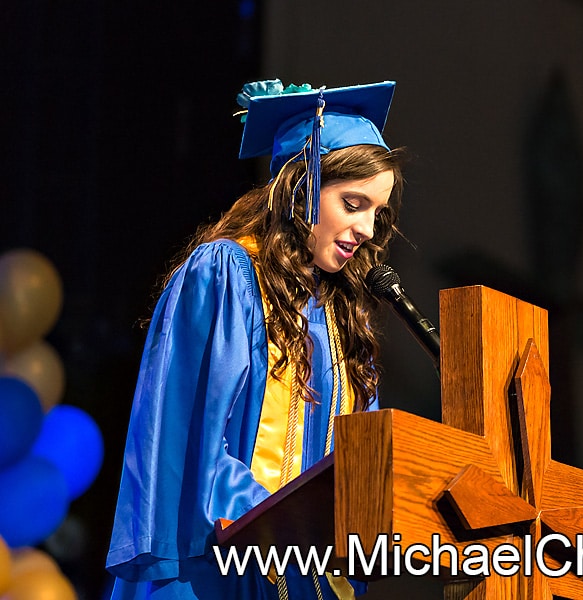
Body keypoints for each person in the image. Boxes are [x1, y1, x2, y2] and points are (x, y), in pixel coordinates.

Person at [106, 79, 405, 600]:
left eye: (377, 212)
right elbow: (192, 440)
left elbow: (357, 466)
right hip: (211, 567)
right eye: (353, 203)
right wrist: (283, 531)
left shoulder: (341, 319)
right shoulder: (226, 274)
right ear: (300, 189)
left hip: (306, 576)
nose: (367, 229)